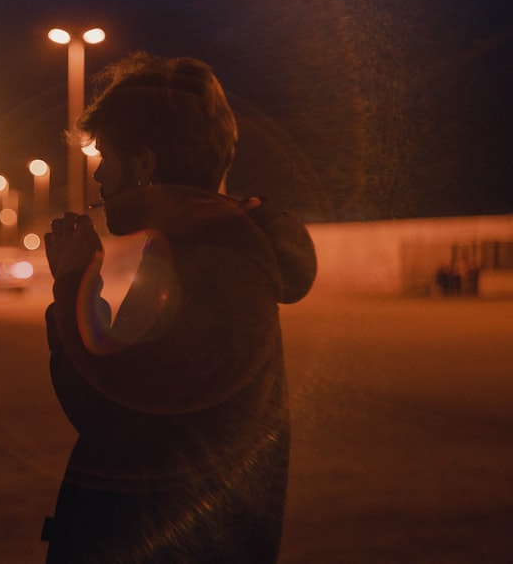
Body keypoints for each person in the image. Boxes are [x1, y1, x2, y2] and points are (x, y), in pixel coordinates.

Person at [41, 53, 317, 562]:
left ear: (145, 162)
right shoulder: (191, 253)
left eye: (106, 156)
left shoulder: (215, 268)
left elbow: (110, 415)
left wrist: (74, 283)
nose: (99, 177)